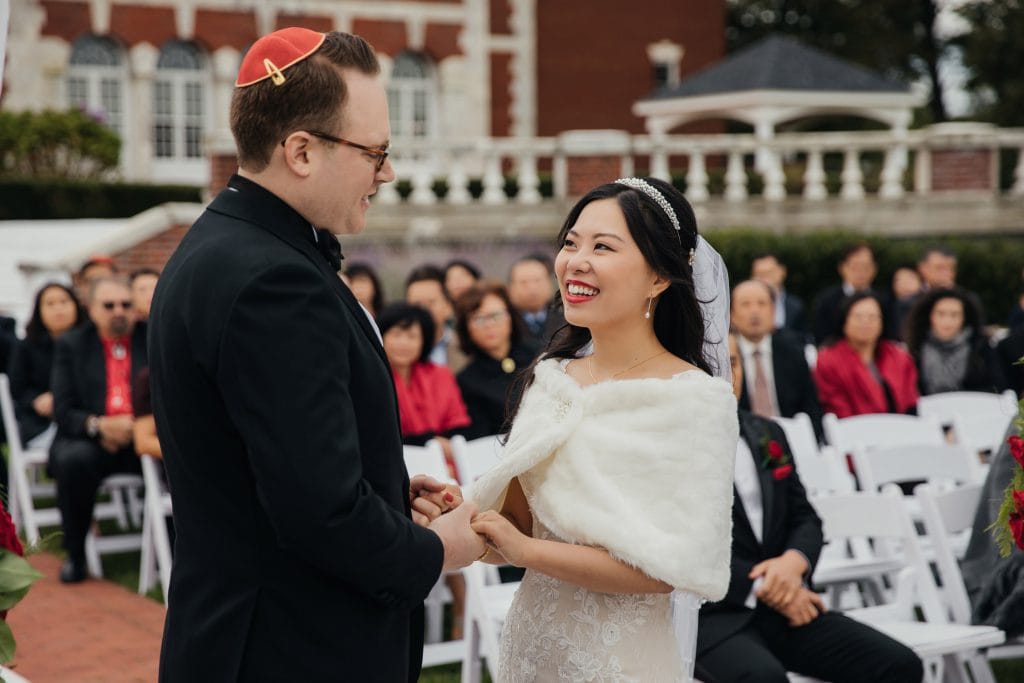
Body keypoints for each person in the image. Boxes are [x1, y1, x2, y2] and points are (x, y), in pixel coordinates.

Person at [146, 28, 484, 682]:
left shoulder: (226, 243)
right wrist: (437, 548)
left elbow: (262, 464)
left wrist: (385, 487)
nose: (386, 171)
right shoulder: (275, 282)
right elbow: (317, 511)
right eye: (375, 151)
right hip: (290, 648)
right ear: (300, 150)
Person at [468, 177, 738, 681]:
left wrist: (526, 552)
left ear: (659, 276)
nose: (576, 261)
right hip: (531, 651)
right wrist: (464, 520)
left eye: (603, 247)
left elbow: (666, 571)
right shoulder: (552, 378)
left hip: (622, 664)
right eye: (570, 242)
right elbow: (519, 527)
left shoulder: (695, 399)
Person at [695, 332, 924, 683]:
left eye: (734, 363)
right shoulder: (673, 447)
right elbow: (685, 545)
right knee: (765, 679)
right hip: (714, 617)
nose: (725, 375)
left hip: (787, 602)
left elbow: (804, 517)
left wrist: (793, 563)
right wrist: (765, 588)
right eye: (711, 365)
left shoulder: (766, 433)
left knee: (898, 664)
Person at [50, 277, 146, 583]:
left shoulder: (151, 337)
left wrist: (138, 427)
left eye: (125, 304)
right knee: (74, 460)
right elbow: (64, 409)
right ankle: (76, 554)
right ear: (91, 310)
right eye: (109, 305)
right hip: (93, 439)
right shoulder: (73, 345)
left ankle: (176, 546)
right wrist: (100, 426)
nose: (118, 311)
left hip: (143, 436)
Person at [732, 279, 824, 441]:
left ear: (773, 311)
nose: (755, 311)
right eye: (745, 304)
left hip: (792, 439)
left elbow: (811, 407)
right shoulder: (726, 355)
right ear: (732, 314)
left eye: (762, 304)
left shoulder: (792, 350)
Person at [378, 303, 470, 461]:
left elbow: (458, 424)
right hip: (395, 462)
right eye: (396, 334)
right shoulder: (375, 377)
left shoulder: (440, 375)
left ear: (424, 341)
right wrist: (429, 441)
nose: (403, 343)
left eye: (412, 336)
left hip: (446, 462)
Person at [813, 292, 919, 418]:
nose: (866, 322)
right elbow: (837, 408)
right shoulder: (828, 360)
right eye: (858, 317)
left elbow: (911, 403)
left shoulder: (899, 357)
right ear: (844, 321)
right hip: (853, 431)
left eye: (873, 317)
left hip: (903, 428)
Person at [454, 281, 537, 439]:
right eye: (478, 319)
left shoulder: (539, 355)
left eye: (495, 315)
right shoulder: (466, 381)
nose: (489, 325)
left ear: (510, 316)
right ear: (467, 328)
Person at [7, 283, 84, 446]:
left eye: (64, 302)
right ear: (38, 311)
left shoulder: (90, 343)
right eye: (50, 304)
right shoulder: (26, 347)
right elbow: (17, 388)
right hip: (41, 424)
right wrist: (36, 401)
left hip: (83, 417)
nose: (58, 309)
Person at [905, 287, 1002, 396]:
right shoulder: (915, 348)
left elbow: (997, 386)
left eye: (954, 314)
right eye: (941, 314)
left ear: (964, 318)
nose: (947, 321)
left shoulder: (981, 347)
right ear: (930, 316)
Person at [811, 243, 889, 345]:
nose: (861, 272)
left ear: (874, 269)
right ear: (842, 268)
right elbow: (821, 337)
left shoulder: (884, 300)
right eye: (855, 266)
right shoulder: (827, 300)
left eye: (865, 266)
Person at [406, 264, 467, 370]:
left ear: (448, 306)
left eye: (431, 303)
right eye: (417, 305)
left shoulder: (465, 346)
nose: (424, 310)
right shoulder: (396, 351)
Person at [507, 253, 563, 347]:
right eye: (523, 283)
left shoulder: (566, 318)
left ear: (549, 284)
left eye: (537, 281)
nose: (532, 288)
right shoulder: (506, 323)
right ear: (510, 288)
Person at [751, 252, 807, 337]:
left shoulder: (796, 306)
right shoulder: (742, 306)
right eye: (759, 274)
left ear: (782, 271)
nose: (764, 278)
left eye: (769, 273)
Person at [890, 264, 923, 340]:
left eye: (909, 278)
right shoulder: (886, 306)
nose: (904, 283)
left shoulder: (929, 304)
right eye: (898, 280)